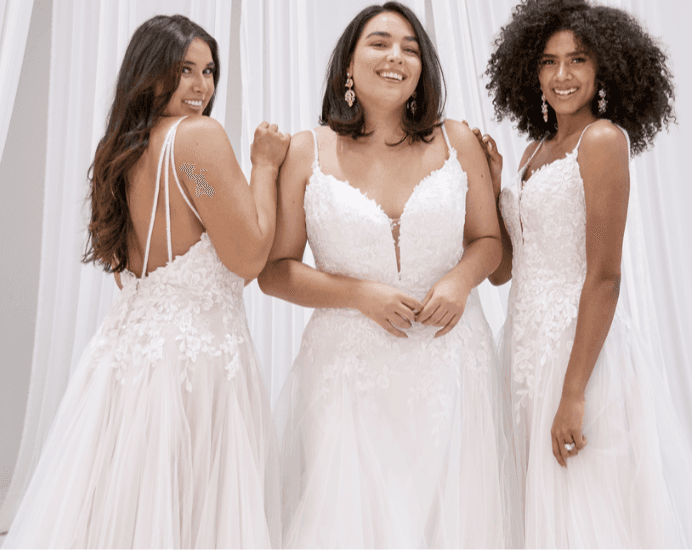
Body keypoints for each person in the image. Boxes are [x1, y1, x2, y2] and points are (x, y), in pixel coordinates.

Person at [3, 15, 286, 548]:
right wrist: (264, 165)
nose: (201, 86)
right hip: (193, 367)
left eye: (208, 71)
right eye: (184, 70)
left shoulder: (121, 151)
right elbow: (249, 256)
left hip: (125, 362)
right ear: (150, 73)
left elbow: (134, 272)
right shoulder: (196, 140)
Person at [258, 2, 518, 547]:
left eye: (410, 47)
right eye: (379, 43)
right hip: (349, 369)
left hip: (450, 359)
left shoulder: (458, 140)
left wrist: (459, 280)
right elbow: (276, 273)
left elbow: (489, 241)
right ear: (348, 65)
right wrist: (358, 295)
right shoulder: (306, 151)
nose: (396, 56)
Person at [474, 0, 692, 546]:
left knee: (582, 506)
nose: (562, 75)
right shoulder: (534, 151)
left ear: (604, 68)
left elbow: (606, 275)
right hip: (523, 349)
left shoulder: (603, 141)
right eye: (548, 61)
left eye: (578, 60)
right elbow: (503, 273)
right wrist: (496, 185)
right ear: (531, 70)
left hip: (580, 352)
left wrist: (574, 391)